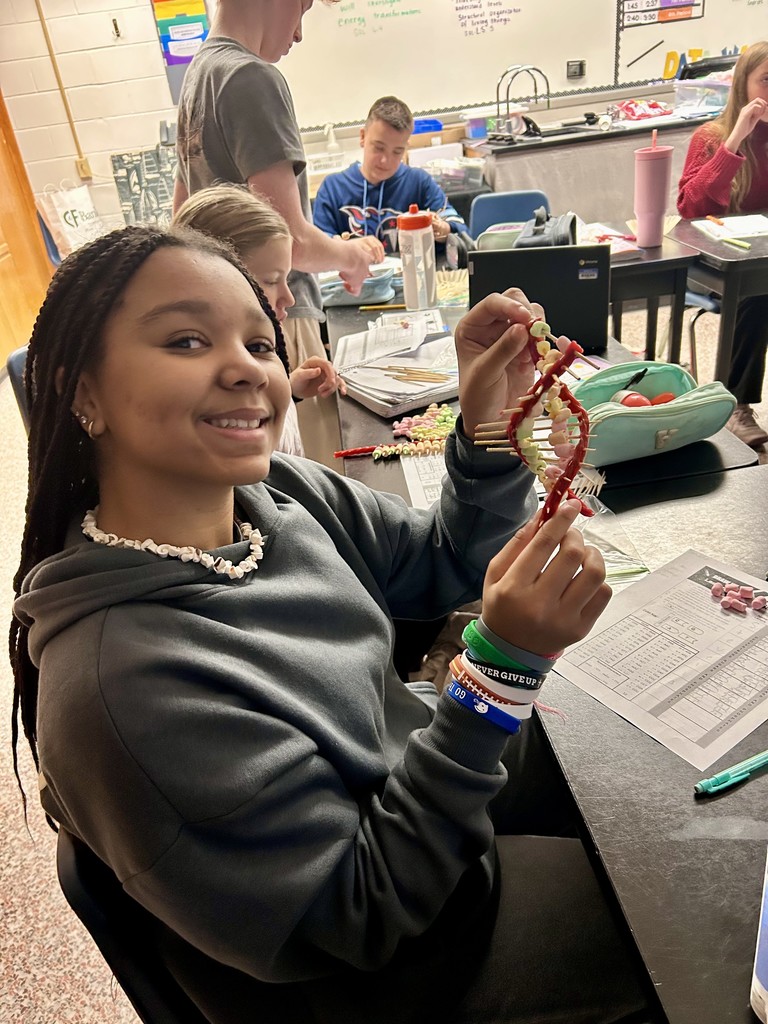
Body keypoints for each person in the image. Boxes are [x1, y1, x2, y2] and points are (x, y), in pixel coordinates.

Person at [10, 224, 650, 1024]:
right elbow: (362, 911)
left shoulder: (273, 493)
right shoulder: (121, 687)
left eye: (259, 340)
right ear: (82, 392)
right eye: (185, 339)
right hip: (404, 959)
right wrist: (498, 671)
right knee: (667, 910)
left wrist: (486, 427)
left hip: (421, 804)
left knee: (644, 780)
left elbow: (444, 560)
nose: (247, 367)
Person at [174, 0, 384, 468]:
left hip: (230, 322)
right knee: (313, 474)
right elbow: (293, 239)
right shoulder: (251, 77)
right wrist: (353, 257)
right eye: (303, 8)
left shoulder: (197, 77)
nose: (299, 34)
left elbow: (181, 222)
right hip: (275, 316)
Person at [173, 183, 346, 458]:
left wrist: (291, 388)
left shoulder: (260, 351)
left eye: (286, 280)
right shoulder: (213, 379)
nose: (288, 298)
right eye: (271, 280)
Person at [677, 40, 768, 448]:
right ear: (743, 87)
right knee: (759, 295)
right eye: (766, 80)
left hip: (760, 257)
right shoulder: (711, 136)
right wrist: (735, 141)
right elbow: (689, 205)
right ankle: (737, 404)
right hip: (712, 264)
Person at [313, 95, 468, 253]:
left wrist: (443, 229)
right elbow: (316, 246)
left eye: (397, 151)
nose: (385, 160)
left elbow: (462, 231)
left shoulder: (418, 182)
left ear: (406, 147)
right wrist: (342, 246)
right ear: (362, 137)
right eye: (379, 148)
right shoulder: (334, 187)